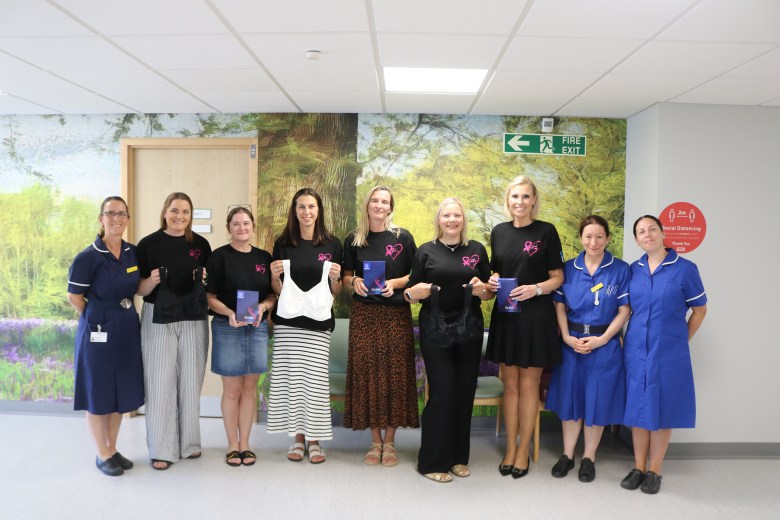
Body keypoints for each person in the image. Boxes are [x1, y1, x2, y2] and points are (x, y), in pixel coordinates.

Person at [405, 197, 491, 483]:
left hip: (469, 330)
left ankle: (457, 457)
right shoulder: (425, 251)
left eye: (457, 215)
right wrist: (412, 293)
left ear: (463, 219)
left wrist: (484, 290)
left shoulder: (477, 249)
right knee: (441, 394)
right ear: (439, 220)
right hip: (435, 331)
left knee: (464, 393)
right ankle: (431, 462)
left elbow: (489, 291)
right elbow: (411, 291)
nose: (452, 220)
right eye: (447, 216)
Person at [620, 215, 707, 495]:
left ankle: (655, 470)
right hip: (635, 349)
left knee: (662, 408)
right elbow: (626, 311)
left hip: (669, 352)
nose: (647, 235)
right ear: (636, 239)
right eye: (641, 232)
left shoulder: (685, 269)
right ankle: (638, 467)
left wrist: (681, 338)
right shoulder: (633, 270)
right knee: (637, 408)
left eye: (652, 229)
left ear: (663, 232)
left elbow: (700, 310)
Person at [486, 175, 564, 479]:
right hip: (506, 316)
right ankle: (509, 448)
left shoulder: (547, 231)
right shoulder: (499, 232)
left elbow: (557, 277)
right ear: (508, 200)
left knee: (529, 385)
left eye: (525, 197)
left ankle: (523, 452)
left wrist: (536, 289)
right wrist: (492, 281)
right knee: (511, 385)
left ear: (534, 200)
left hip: (536, 317)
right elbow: (497, 275)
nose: (520, 202)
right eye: (514, 196)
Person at [545, 215, 631, 482]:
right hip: (572, 344)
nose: (593, 242)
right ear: (581, 238)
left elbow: (624, 310)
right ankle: (567, 454)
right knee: (571, 399)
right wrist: (567, 338)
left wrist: (604, 339)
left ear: (607, 238)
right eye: (588, 236)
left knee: (598, 401)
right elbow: (559, 305)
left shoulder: (620, 269)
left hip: (604, 345)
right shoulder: (569, 268)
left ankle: (589, 456)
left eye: (599, 236)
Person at [66, 196, 144, 476]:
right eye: (111, 213)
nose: (117, 219)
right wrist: (97, 314)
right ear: (101, 218)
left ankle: (113, 447)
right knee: (98, 391)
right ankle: (102, 453)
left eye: (122, 213)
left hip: (126, 325)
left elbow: (138, 286)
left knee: (120, 390)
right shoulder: (88, 257)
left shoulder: (132, 253)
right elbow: (74, 296)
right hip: (98, 328)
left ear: (128, 218)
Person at [342, 186, 418, 467]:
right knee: (368, 375)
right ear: (367, 205)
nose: (379, 205)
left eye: (384, 201)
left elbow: (416, 275)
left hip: (396, 315)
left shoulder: (403, 237)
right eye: (374, 200)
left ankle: (391, 441)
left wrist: (394, 284)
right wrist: (355, 283)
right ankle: (375, 441)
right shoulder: (353, 239)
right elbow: (346, 277)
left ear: (390, 207)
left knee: (395, 376)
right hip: (364, 316)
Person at [136, 192, 212, 470]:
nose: (180, 216)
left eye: (185, 212)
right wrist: (151, 280)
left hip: (193, 317)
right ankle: (162, 449)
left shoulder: (201, 245)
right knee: (159, 382)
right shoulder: (147, 245)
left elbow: (208, 284)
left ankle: (190, 443)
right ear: (165, 212)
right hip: (159, 316)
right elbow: (139, 289)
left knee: (191, 381)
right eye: (175, 210)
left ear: (191, 216)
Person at [267, 187, 342, 464]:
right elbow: (277, 289)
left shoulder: (332, 245)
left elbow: (336, 292)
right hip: (288, 324)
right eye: (301, 206)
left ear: (319, 210)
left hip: (319, 324)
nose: (306, 212)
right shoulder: (283, 243)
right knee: (292, 381)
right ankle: (297, 439)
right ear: (294, 210)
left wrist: (336, 278)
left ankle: (315, 439)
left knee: (315, 383)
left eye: (311, 206)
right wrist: (275, 276)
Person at [206, 207, 276, 467]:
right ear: (229, 228)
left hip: (256, 328)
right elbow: (210, 297)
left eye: (246, 223)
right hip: (228, 327)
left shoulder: (263, 257)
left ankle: (246, 444)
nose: (242, 227)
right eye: (236, 224)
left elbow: (271, 295)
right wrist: (229, 312)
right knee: (232, 390)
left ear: (253, 226)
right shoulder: (218, 258)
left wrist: (261, 308)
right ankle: (232, 445)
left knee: (250, 389)